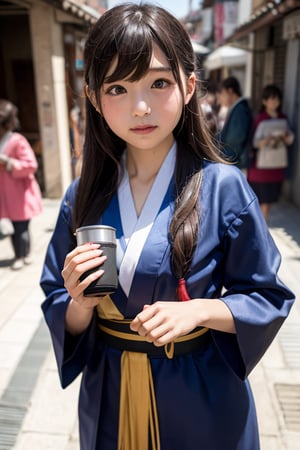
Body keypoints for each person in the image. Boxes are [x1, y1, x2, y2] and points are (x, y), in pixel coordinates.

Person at [40, 4, 294, 450]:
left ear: (189, 86)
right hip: (110, 393)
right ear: (95, 99)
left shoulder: (223, 188)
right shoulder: (82, 195)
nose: (140, 107)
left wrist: (198, 311)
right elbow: (58, 301)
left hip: (199, 398)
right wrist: (79, 303)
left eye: (159, 82)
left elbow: (267, 295)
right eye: (118, 87)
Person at [0, 99, 43, 270]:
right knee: (12, 226)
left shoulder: (17, 140)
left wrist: (9, 162)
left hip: (20, 193)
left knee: (21, 227)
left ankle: (23, 254)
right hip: (6, 193)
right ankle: (20, 254)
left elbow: (31, 165)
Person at [247, 84, 294, 222]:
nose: (274, 102)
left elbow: (291, 139)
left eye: (276, 99)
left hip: (276, 166)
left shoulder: (283, 118)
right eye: (270, 99)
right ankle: (261, 231)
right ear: (264, 101)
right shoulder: (260, 119)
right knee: (262, 202)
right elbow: (254, 143)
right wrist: (267, 139)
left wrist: (286, 137)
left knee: (269, 202)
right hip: (260, 168)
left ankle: (261, 230)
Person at [217, 76, 253, 168]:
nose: (220, 98)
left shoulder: (240, 110)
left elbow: (235, 141)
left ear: (230, 91)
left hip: (235, 164)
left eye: (222, 93)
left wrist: (225, 160)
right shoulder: (237, 108)